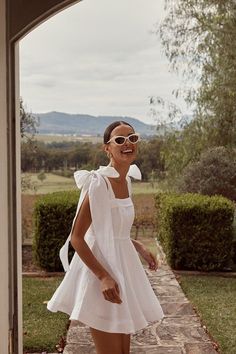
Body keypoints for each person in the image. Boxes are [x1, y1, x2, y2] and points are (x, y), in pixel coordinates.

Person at [47, 121, 164, 354]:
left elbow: (110, 229)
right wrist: (103, 277)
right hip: (101, 273)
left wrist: (138, 246)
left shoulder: (126, 180)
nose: (127, 143)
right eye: (119, 140)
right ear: (107, 148)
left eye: (132, 138)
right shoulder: (99, 184)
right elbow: (77, 237)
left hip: (122, 268)